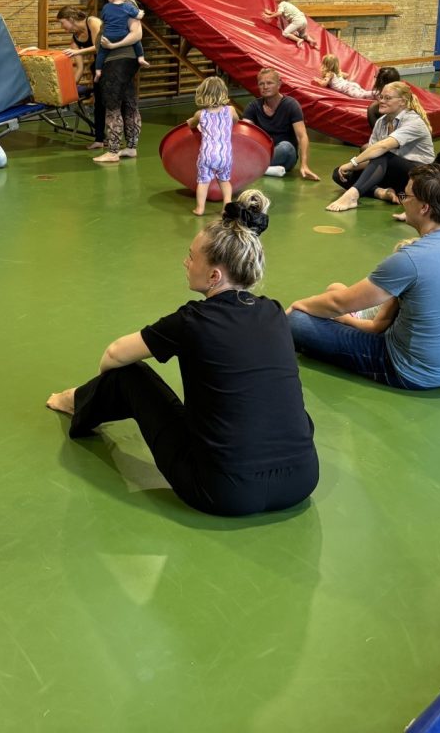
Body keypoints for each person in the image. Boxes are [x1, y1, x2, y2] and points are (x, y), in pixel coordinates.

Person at [46, 190, 318, 517]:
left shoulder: (193, 320)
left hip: (221, 492)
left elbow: (115, 354)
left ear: (215, 275)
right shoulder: (273, 312)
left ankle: (75, 400)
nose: (185, 263)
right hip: (302, 480)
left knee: (128, 374)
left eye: (191, 257)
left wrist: (100, 386)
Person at [289, 164, 440, 390]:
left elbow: (339, 304)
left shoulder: (412, 259)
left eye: (406, 196)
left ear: (424, 208)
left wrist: (297, 305)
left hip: (411, 371)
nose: (402, 201)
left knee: (298, 321)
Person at [326, 81, 434, 212]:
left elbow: (382, 148)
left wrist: (352, 162)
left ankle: (352, 196)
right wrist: (349, 167)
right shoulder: (381, 122)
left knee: (382, 154)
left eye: (388, 98)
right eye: (381, 97)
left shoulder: (414, 121)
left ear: (402, 101)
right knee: (339, 173)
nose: (381, 101)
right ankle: (381, 193)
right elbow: (373, 158)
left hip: (418, 176)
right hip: (394, 174)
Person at [92, 0, 145, 164]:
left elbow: (137, 34)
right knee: (129, 102)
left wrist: (114, 46)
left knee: (112, 105)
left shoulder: (127, 4)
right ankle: (131, 147)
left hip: (117, 60)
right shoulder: (124, 6)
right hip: (123, 60)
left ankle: (113, 151)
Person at [242, 68, 320, 180]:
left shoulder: (291, 105)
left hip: (285, 156)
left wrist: (304, 165)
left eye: (269, 83)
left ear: (279, 84)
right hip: (263, 153)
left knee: (286, 147)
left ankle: (252, 167)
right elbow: (244, 133)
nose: (265, 87)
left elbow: (302, 136)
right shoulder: (253, 106)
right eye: (261, 84)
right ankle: (265, 169)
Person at [57, 5, 106, 149]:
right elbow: (79, 67)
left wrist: (78, 52)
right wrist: (71, 90)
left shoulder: (92, 22)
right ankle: (99, 139)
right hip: (97, 68)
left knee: (114, 104)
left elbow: (99, 47)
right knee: (99, 105)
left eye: (62, 23)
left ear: (71, 19)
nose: (62, 27)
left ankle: (124, 140)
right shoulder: (75, 39)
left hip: (112, 64)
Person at [186, 76, 237, 215]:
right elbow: (236, 120)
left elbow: (191, 125)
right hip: (225, 155)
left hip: (207, 154)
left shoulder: (200, 114)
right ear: (223, 93)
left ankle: (200, 208)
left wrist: (191, 121)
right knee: (225, 181)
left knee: (203, 182)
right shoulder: (230, 110)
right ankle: (226, 207)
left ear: (202, 94)